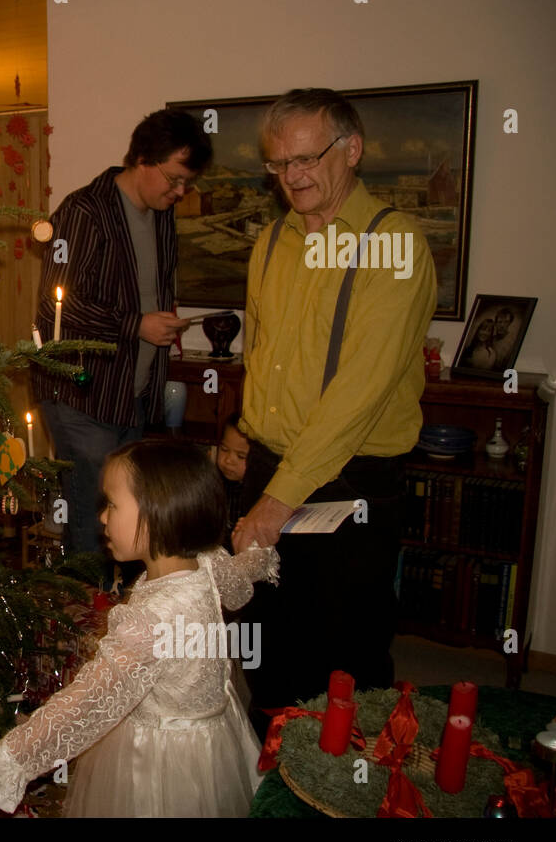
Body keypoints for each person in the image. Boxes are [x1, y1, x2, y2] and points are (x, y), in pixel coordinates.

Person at [233, 88, 436, 733]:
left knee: (341, 662)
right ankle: (272, 787)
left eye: (305, 158)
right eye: (278, 164)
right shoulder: (269, 241)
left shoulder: (394, 247)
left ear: (352, 150)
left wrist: (277, 500)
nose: (292, 176)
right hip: (270, 470)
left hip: (348, 488)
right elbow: (263, 353)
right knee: (265, 646)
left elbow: (359, 394)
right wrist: (244, 432)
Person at [0, 440, 278, 817]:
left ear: (159, 512)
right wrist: (259, 553)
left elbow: (88, 702)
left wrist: (6, 759)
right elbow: (240, 581)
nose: (103, 518)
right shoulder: (206, 561)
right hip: (216, 739)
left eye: (112, 505)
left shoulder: (153, 621)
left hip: (163, 762)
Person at [32, 109, 212, 556]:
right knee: (91, 515)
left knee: (128, 515)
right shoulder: (83, 211)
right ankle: (83, 615)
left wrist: (159, 322)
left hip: (131, 392)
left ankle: (115, 612)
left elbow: (146, 290)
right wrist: (138, 325)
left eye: (187, 183)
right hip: (81, 391)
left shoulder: (161, 214)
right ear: (143, 159)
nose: (180, 191)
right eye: (173, 179)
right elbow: (57, 304)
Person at [214, 413, 250, 549]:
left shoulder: (258, 494)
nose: (229, 460)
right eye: (224, 449)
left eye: (240, 456)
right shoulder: (212, 483)